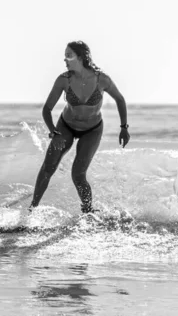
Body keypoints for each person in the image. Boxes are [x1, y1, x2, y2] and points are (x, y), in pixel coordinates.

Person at [29, 41, 130, 213]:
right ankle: (32, 209)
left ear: (81, 57)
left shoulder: (101, 79)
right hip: (66, 126)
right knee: (48, 167)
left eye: (69, 55)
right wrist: (54, 132)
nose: (65, 60)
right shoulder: (64, 80)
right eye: (65, 56)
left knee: (78, 174)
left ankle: (88, 212)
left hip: (92, 130)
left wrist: (124, 127)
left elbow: (120, 99)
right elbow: (47, 109)